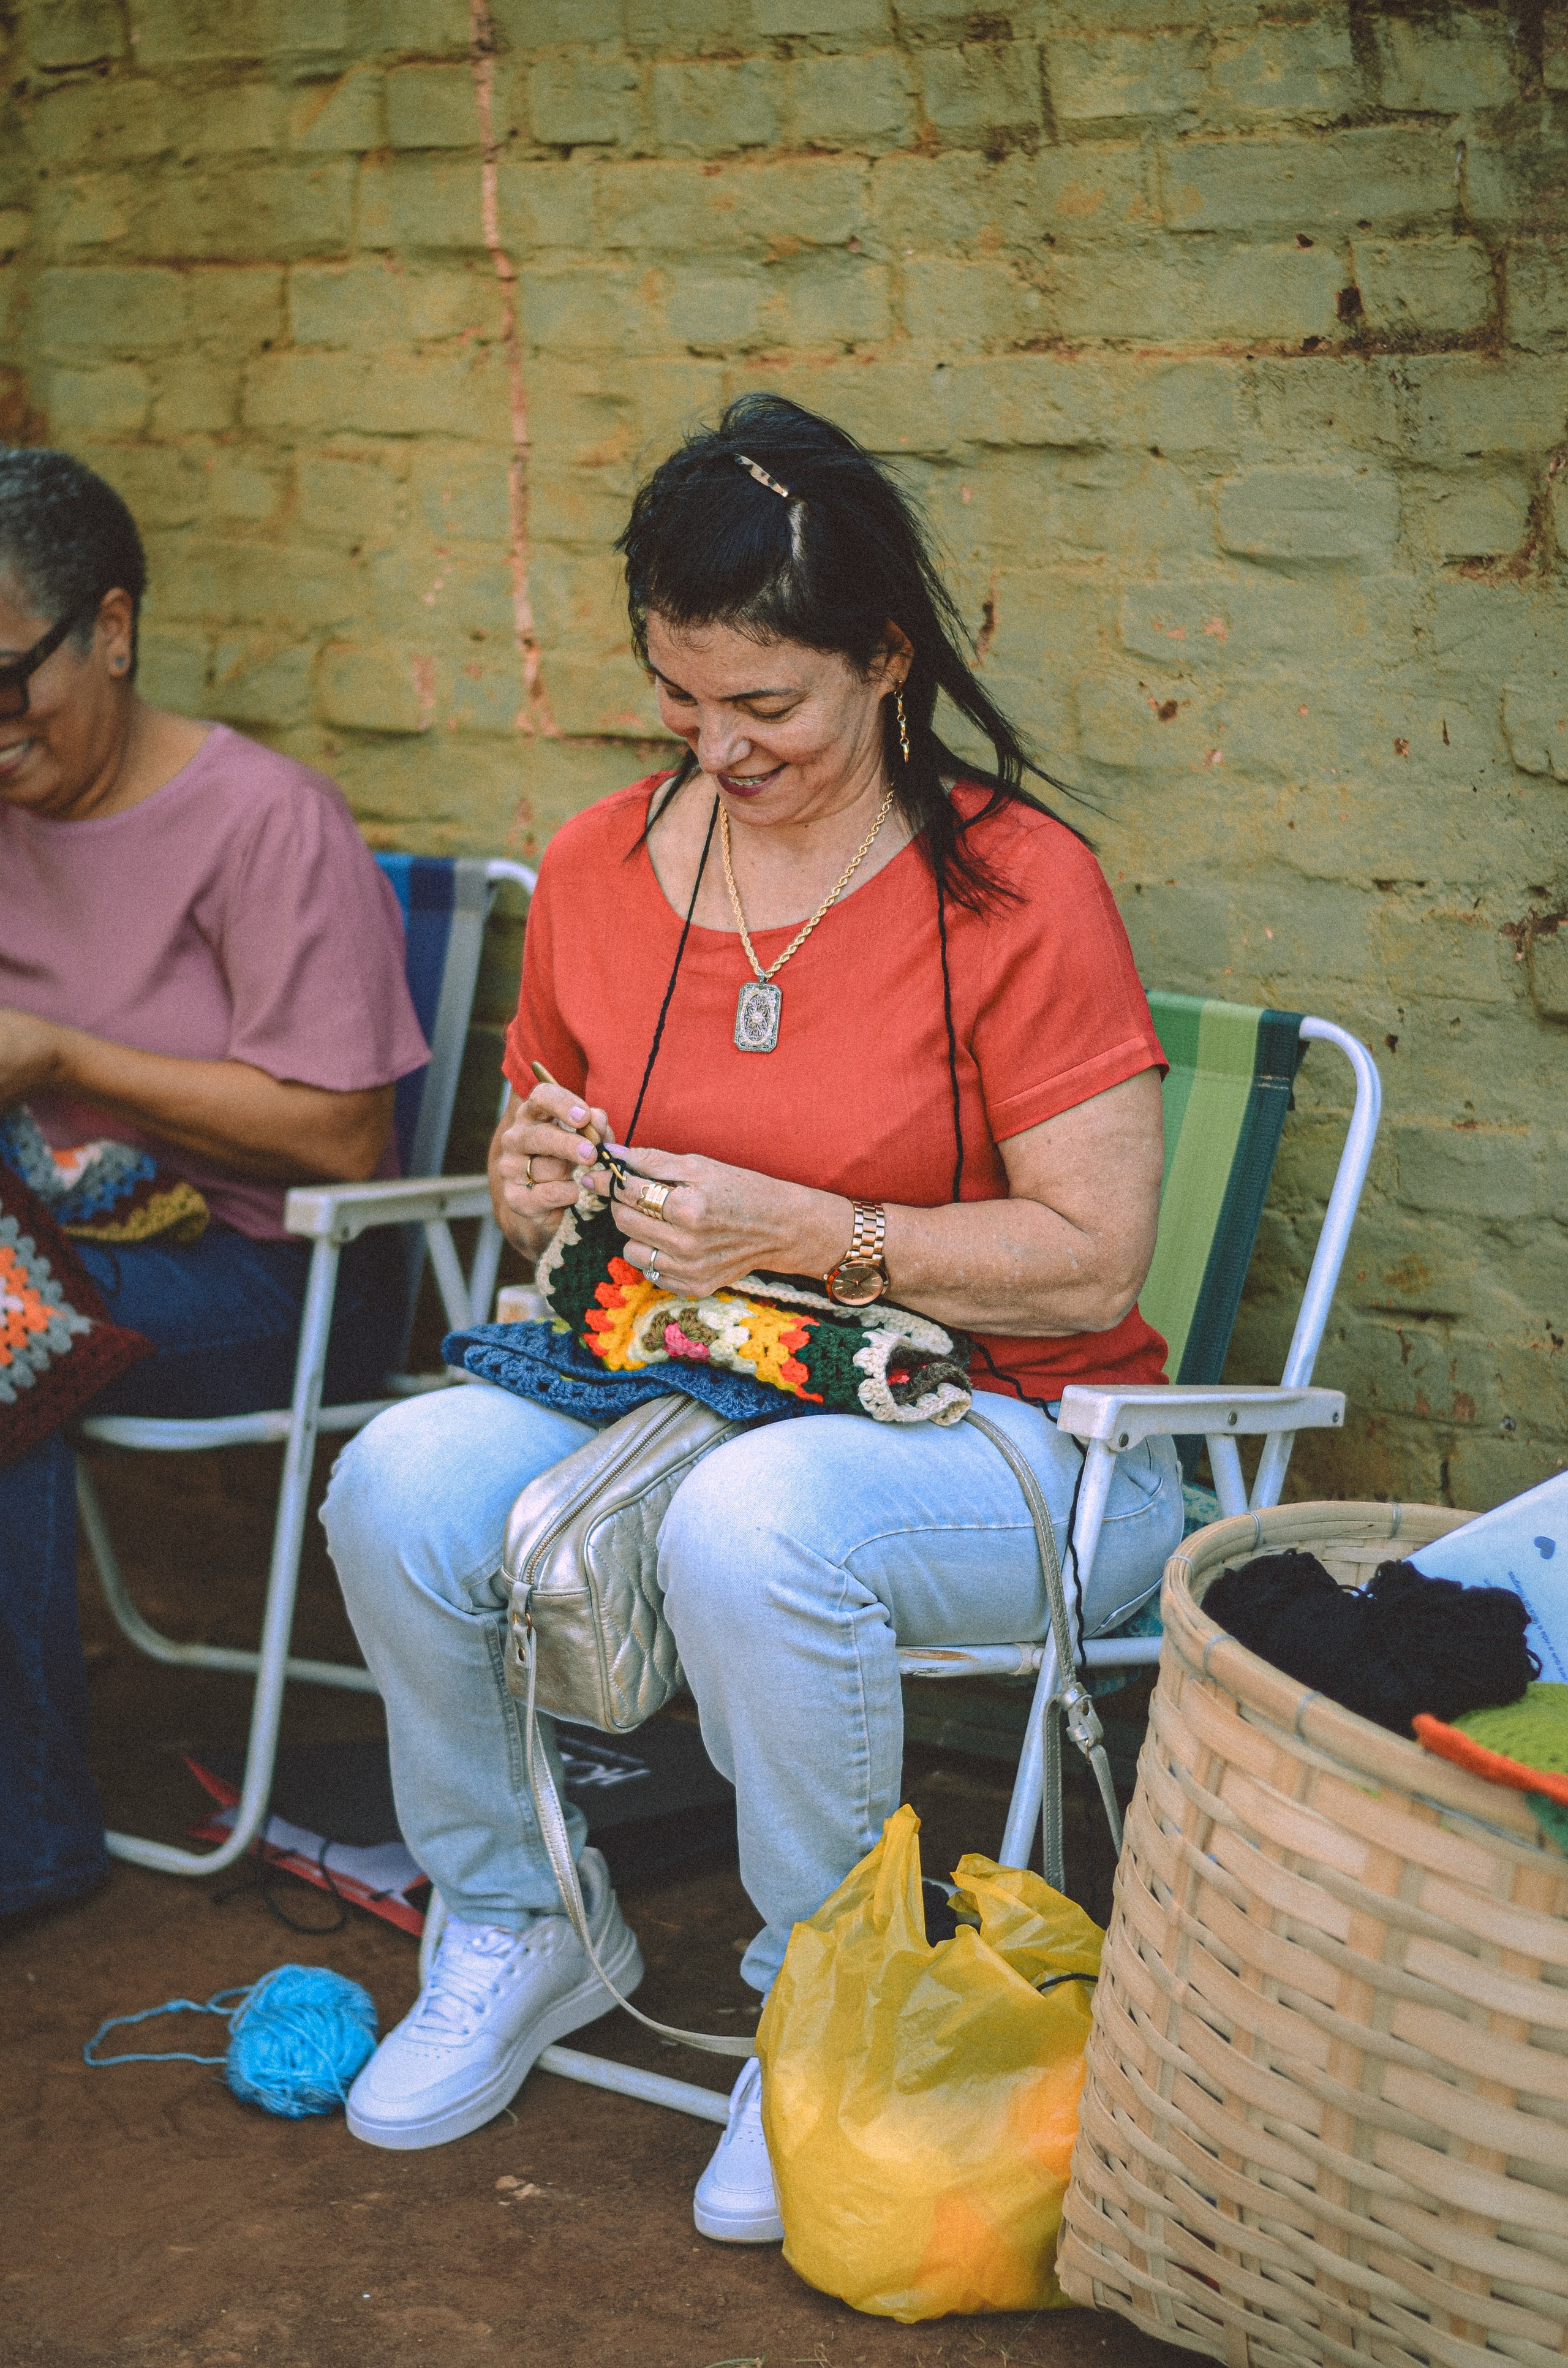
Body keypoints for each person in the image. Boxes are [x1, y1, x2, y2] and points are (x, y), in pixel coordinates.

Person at [323, 395, 1182, 2239]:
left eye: (768, 706)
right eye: (678, 698)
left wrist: (817, 1232)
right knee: (394, 1479)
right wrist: (533, 1180)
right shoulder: (598, 867)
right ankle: (518, 1911)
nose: (718, 749)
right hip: (682, 1377)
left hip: (1015, 1435)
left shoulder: (1019, 887)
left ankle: (825, 2000)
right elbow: (528, 1147)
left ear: (886, 663)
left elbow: (1097, 1260)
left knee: (756, 1525)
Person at [0, 448, 429, 1921]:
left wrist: (62, 1050)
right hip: (52, 1241)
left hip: (276, 1276)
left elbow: (335, 1136)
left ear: (109, 628)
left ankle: (26, 1832)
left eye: (7, 679)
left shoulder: (267, 823)